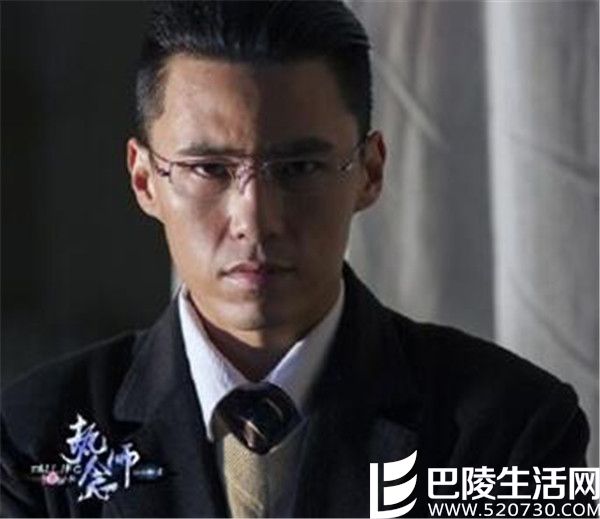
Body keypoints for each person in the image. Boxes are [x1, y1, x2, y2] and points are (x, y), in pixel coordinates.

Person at [1, 1, 590, 517]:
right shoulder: (29, 440)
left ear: (370, 171)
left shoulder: (519, 427)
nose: (256, 219)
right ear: (145, 179)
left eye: (299, 168)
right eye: (210, 169)